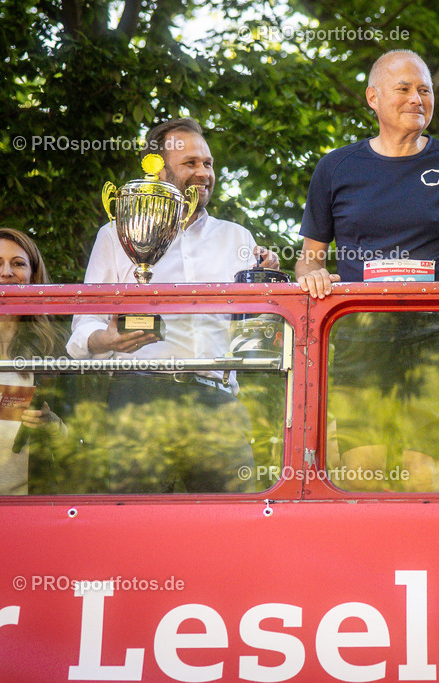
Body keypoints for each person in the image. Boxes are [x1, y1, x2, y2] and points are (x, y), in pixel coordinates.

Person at [297, 50, 439, 492]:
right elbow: (309, 257)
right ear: (373, 97)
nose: (417, 98)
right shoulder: (336, 167)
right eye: (404, 88)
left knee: (423, 471)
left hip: (435, 333)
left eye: (425, 90)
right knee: (362, 469)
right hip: (358, 330)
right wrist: (311, 275)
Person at [67, 118, 278, 493]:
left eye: (208, 163)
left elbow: (255, 328)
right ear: (160, 170)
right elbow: (84, 324)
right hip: (139, 398)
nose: (203, 173)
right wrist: (106, 340)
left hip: (217, 400)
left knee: (236, 519)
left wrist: (268, 281)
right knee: (136, 521)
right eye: (190, 163)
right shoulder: (117, 233)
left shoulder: (237, 237)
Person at [0, 228, 64, 495]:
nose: (6, 272)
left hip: (29, 506)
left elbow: (80, 441)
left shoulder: (53, 350)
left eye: (18, 264)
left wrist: (51, 424)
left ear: (33, 276)